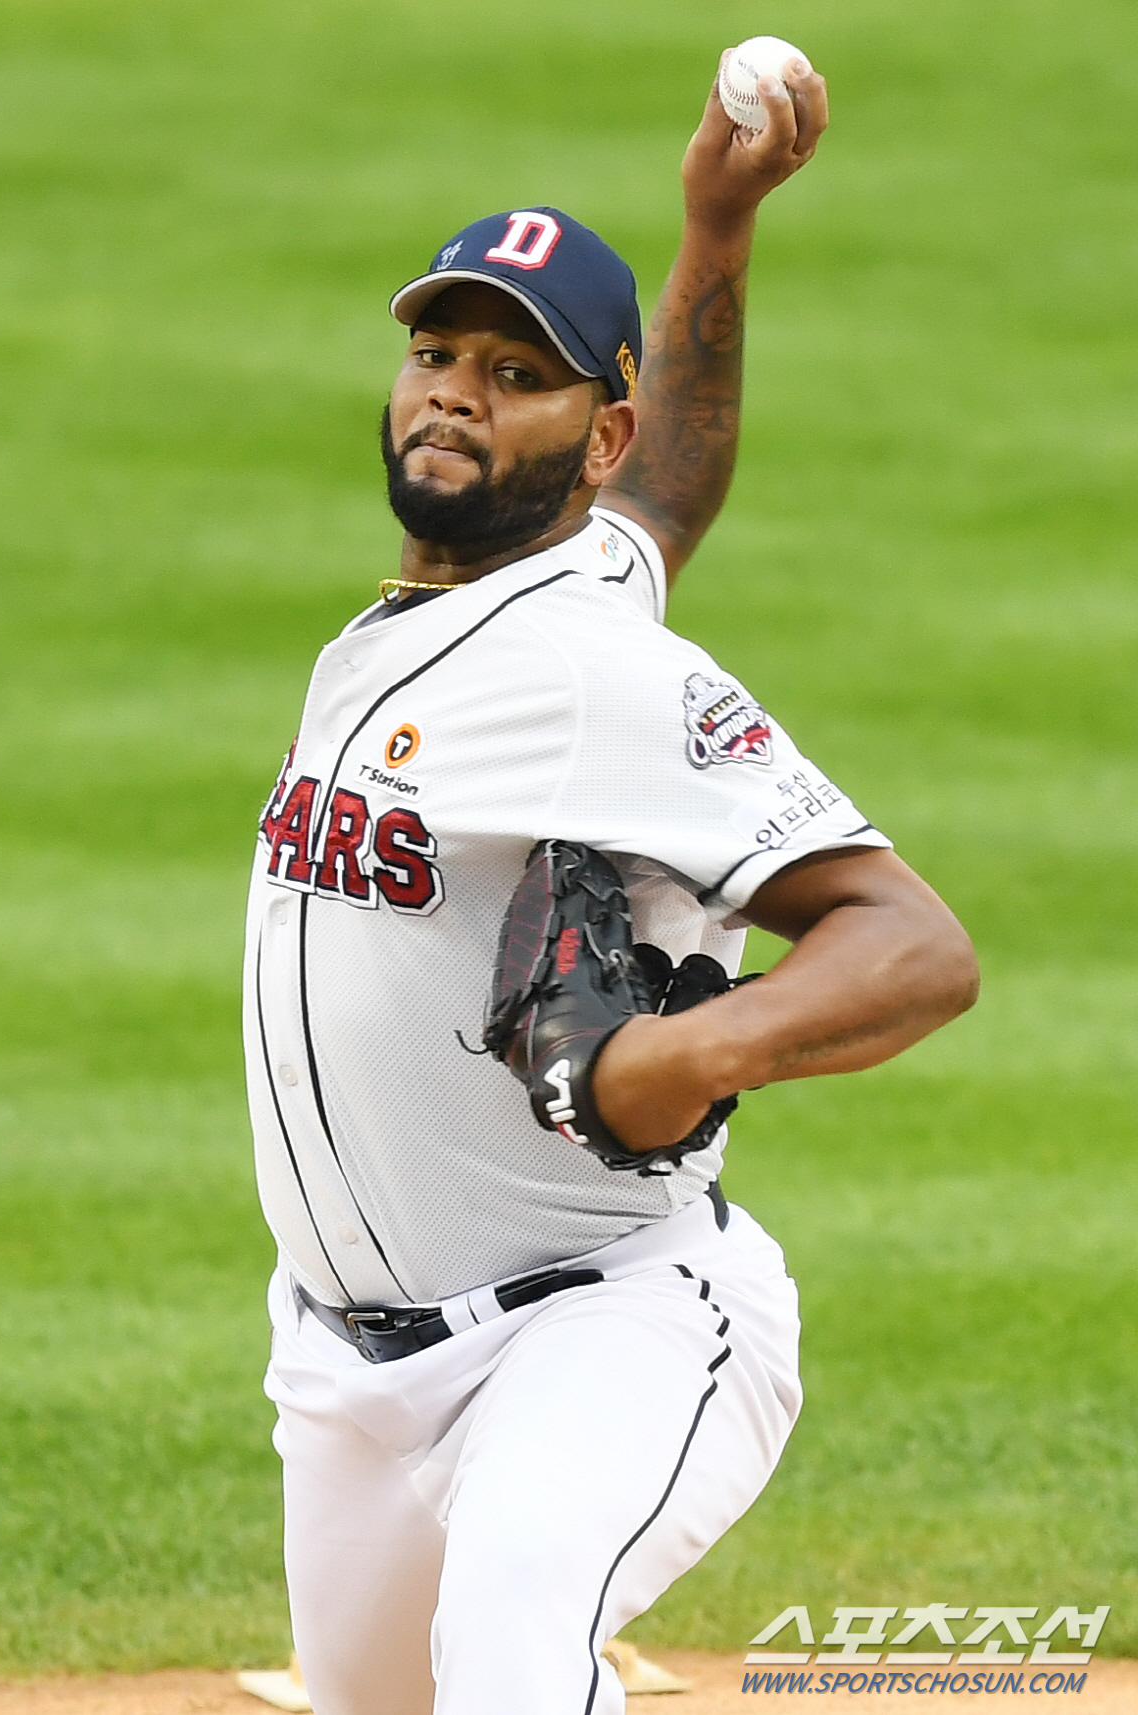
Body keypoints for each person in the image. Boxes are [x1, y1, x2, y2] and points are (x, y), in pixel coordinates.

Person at [244, 63, 978, 1715]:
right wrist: (719, 223)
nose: (454, 396)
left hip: (604, 1327)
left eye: (517, 377)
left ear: (596, 432)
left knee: (515, 1660)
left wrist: (684, 1054)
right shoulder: (487, 595)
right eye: (437, 355)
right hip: (348, 1367)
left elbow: (915, 947)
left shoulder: (598, 673)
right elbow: (669, 499)